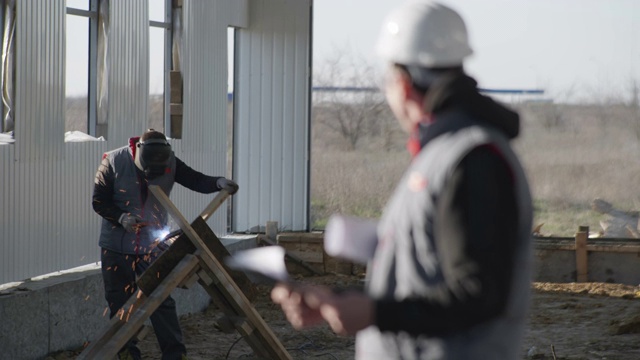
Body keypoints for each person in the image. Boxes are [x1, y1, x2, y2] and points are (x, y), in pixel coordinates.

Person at [270, 1, 533, 359]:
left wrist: (375, 312)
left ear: (404, 85)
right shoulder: (445, 153)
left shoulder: (472, 159)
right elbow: (426, 271)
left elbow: (479, 293)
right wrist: (344, 299)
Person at [92, 129, 238, 360]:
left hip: (153, 246)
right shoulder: (112, 161)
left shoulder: (169, 160)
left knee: (162, 300)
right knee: (120, 303)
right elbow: (98, 201)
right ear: (138, 151)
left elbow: (195, 179)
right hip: (116, 247)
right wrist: (122, 218)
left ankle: (174, 355)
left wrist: (218, 182)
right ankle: (126, 355)